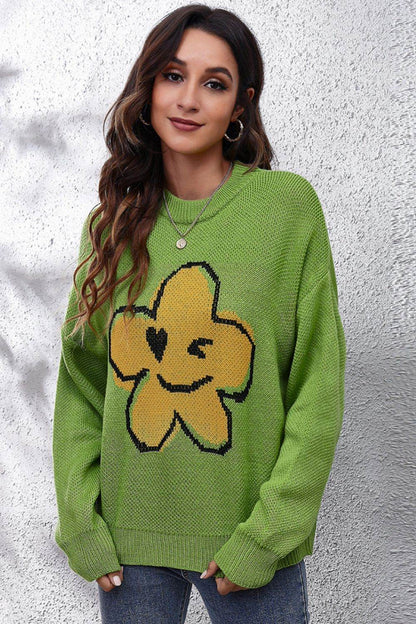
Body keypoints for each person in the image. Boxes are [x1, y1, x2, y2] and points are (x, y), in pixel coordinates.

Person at [52, 4, 346, 623]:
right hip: (127, 546)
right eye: (172, 75)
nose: (188, 99)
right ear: (148, 87)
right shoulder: (110, 226)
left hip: (248, 545)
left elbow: (317, 383)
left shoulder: (286, 210)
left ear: (240, 105)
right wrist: (81, 521)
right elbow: (82, 384)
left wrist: (268, 535)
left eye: (214, 83)